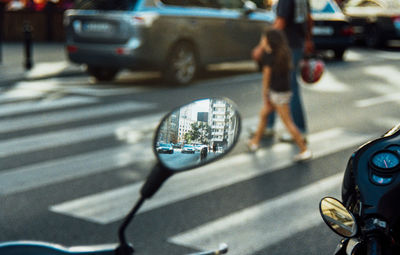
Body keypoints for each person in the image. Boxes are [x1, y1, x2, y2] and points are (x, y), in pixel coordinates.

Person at [248, 28, 312, 162]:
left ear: (268, 41)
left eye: (263, 39)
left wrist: (265, 95)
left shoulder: (268, 56)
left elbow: (266, 78)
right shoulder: (284, 53)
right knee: (264, 115)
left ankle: (304, 149)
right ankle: (255, 142)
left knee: (288, 123)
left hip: (276, 94)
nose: (262, 41)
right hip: (283, 92)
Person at [265, 0, 314, 141]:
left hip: (285, 48)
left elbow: (280, 23)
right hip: (297, 45)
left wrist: (264, 44)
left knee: (288, 87)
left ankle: (299, 130)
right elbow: (309, 19)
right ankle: (268, 125)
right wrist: (308, 40)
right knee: (276, 85)